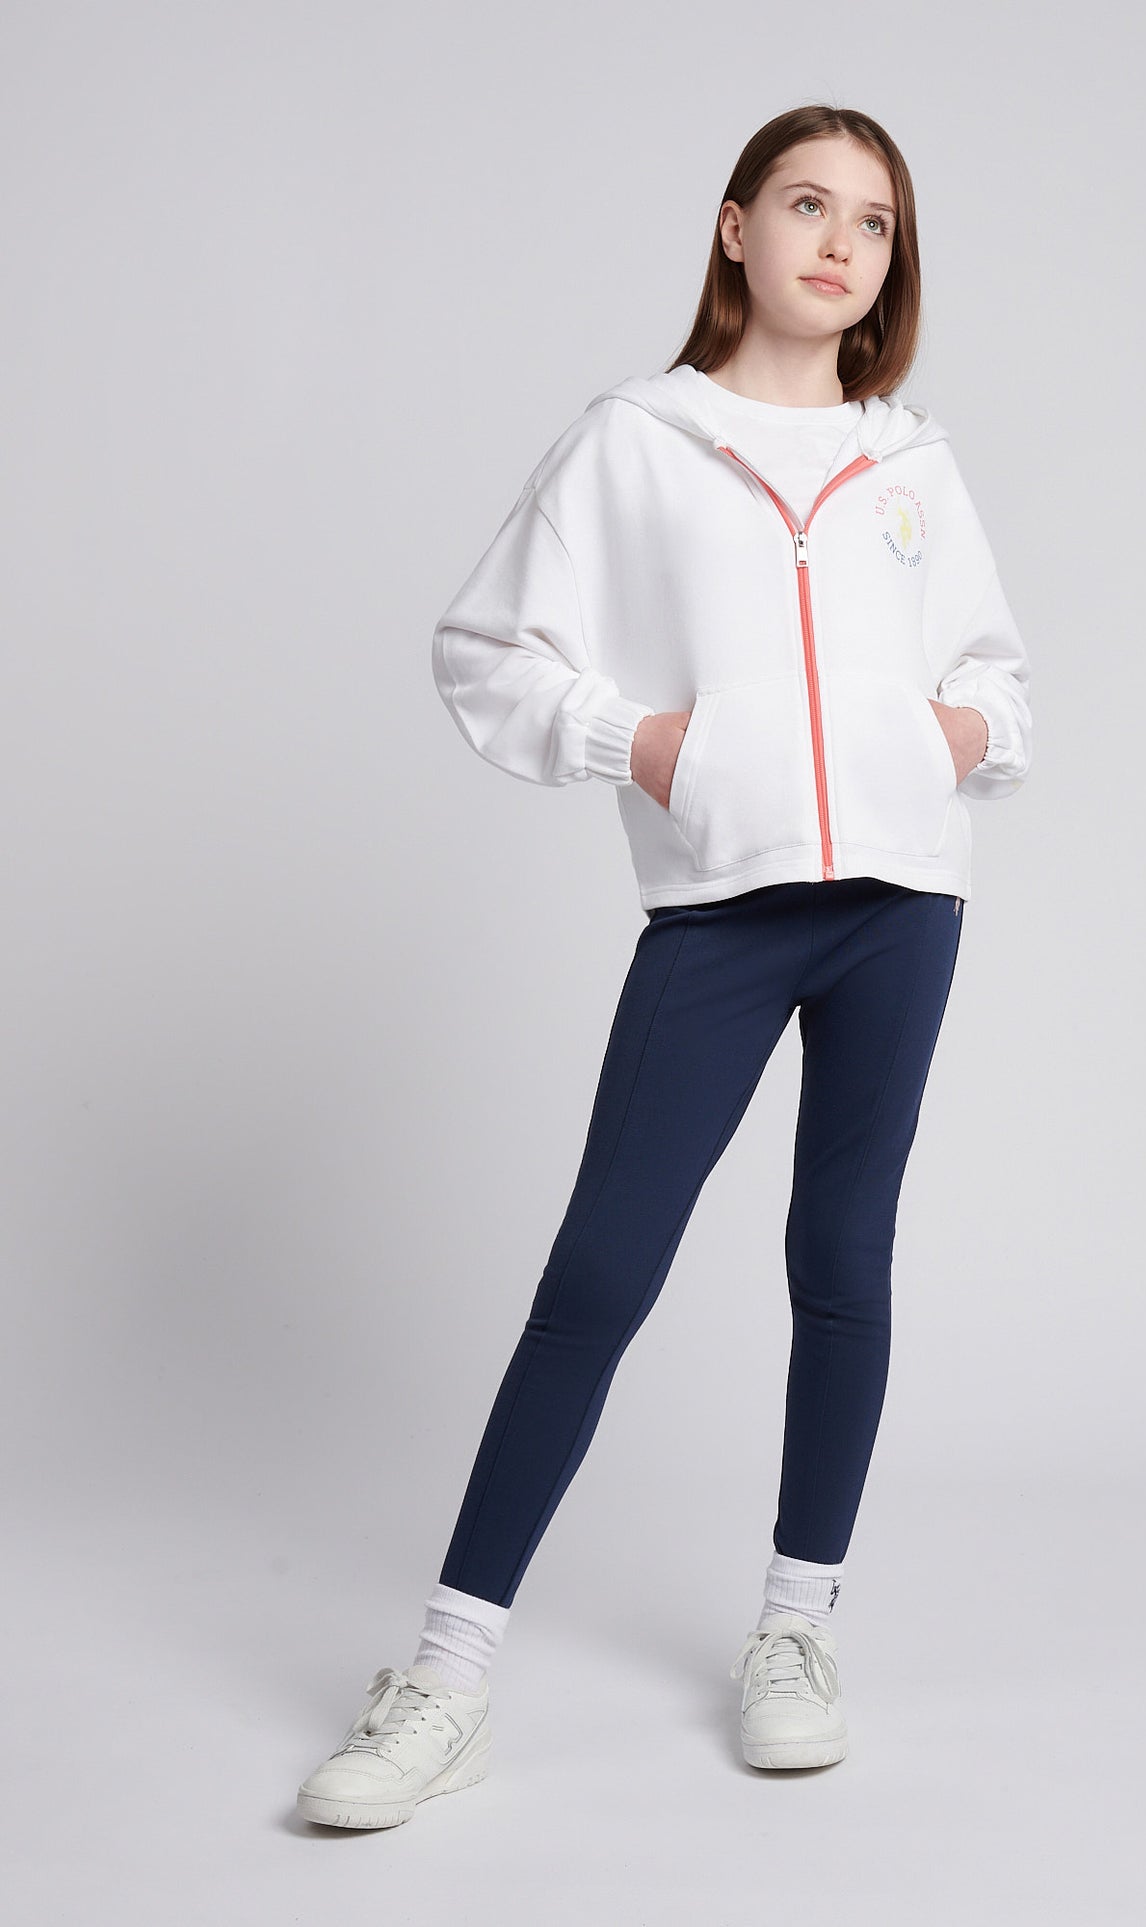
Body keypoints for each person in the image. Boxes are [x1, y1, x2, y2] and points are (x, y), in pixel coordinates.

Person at [296, 101, 1032, 1830]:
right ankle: (446, 1678)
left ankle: (797, 1629)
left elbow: (1001, 687)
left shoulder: (911, 464)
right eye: (806, 204)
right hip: (722, 908)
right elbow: (484, 647)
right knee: (600, 1274)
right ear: (732, 227)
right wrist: (642, 743)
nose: (839, 243)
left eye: (872, 221)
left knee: (840, 1260)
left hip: (899, 905)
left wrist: (942, 734)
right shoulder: (635, 440)